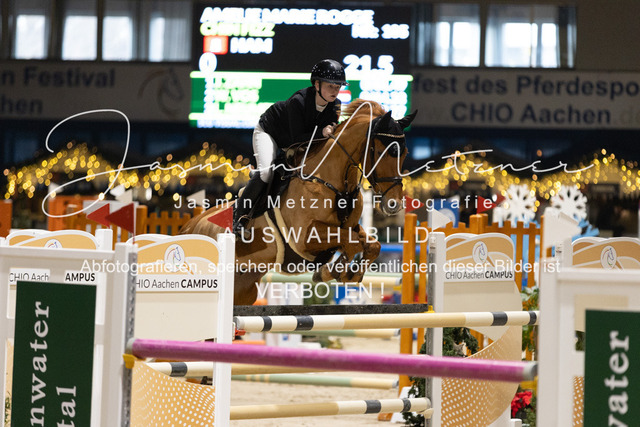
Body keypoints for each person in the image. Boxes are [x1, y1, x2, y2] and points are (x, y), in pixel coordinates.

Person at [233, 59, 348, 237]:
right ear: (317, 84)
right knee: (266, 172)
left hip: (298, 142)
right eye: (330, 86)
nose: (335, 91)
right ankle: (239, 217)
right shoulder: (299, 101)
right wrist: (322, 132)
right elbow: (297, 139)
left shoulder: (335, 106)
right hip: (269, 133)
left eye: (338, 87)